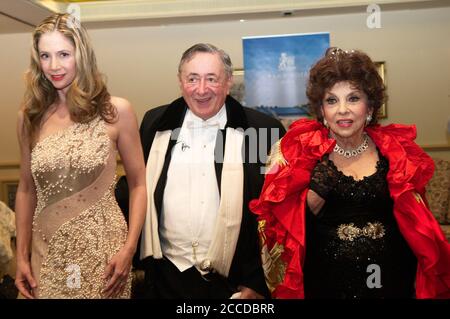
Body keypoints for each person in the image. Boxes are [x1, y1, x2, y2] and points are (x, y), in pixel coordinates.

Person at [250, 47, 450, 298]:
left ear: (369, 107)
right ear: (322, 110)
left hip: (394, 283)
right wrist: (311, 197)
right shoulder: (299, 156)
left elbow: (417, 224)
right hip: (325, 286)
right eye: (332, 100)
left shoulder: (396, 154)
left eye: (353, 98)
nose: (342, 109)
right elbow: (277, 232)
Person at [131, 43, 285, 298]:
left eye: (211, 79)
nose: (201, 90)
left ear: (227, 83)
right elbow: (137, 190)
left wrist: (257, 282)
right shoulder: (156, 124)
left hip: (233, 284)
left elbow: (276, 211)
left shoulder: (259, 131)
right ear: (180, 82)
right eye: (192, 79)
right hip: (166, 278)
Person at [15, 13, 146, 299]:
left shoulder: (116, 111)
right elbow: (26, 190)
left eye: (64, 54)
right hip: (46, 253)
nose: (54, 66)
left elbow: (138, 184)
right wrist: (21, 257)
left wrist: (129, 249)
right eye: (45, 56)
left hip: (105, 252)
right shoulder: (30, 118)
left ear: (82, 56)